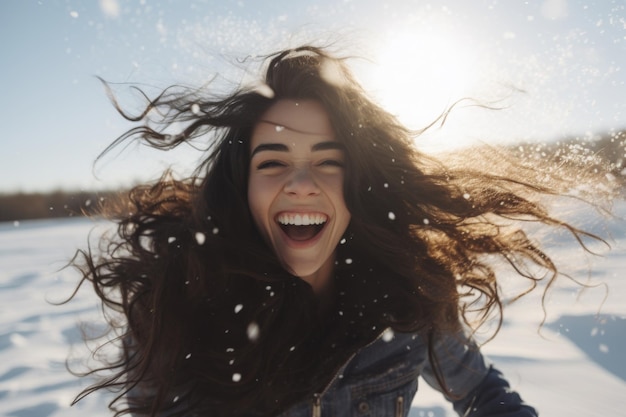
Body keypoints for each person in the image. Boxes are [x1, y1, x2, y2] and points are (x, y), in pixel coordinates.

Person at [69, 45, 604, 417]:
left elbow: (480, 391)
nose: (302, 184)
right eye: (273, 163)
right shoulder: (180, 311)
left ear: (358, 184)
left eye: (328, 161)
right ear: (241, 188)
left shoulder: (409, 292)